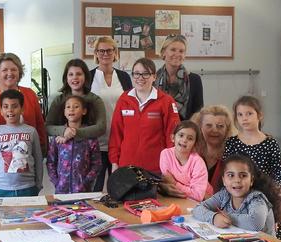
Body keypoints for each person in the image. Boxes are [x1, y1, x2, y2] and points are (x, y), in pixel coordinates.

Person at [109, 57, 180, 174]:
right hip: (127, 167)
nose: (140, 78)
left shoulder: (166, 101)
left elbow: (172, 136)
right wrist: (114, 163)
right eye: (136, 74)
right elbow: (116, 134)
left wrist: (170, 165)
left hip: (156, 168)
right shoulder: (124, 99)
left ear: (154, 77)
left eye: (145, 74)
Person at [0, 53, 46, 158]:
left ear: (19, 72)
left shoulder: (30, 94)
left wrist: (39, 152)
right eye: (4, 70)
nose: (10, 73)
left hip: (29, 158)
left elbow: (40, 126)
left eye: (13, 69)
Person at [192, 153, 281, 236]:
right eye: (231, 175)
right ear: (224, 180)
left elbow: (255, 224)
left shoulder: (257, 199)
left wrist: (228, 216)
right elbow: (197, 209)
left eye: (243, 175)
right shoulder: (224, 195)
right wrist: (214, 217)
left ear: (251, 180)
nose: (237, 180)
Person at [89, 36, 133, 191]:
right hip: (96, 143)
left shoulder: (124, 77)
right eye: (101, 50)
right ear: (96, 53)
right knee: (96, 188)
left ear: (115, 52)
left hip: (120, 141)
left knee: (120, 187)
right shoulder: (89, 77)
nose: (105, 54)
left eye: (109, 50)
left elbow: (131, 105)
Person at [0, 89, 43, 199]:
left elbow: (38, 159)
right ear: (1, 110)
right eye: (6, 106)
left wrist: (38, 184)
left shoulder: (31, 131)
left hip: (27, 188)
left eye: (14, 106)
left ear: (22, 109)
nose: (10, 110)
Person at [223, 95, 281, 188]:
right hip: (237, 191)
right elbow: (226, 170)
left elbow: (280, 174)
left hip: (264, 193)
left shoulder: (270, 143)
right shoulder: (231, 142)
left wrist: (273, 192)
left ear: (259, 115)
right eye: (240, 114)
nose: (244, 118)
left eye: (249, 114)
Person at [47, 95, 101, 193]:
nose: (71, 109)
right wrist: (57, 182)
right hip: (61, 190)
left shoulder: (90, 137)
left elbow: (96, 164)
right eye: (68, 107)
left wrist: (85, 182)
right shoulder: (57, 136)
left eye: (76, 107)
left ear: (84, 111)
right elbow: (51, 162)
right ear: (64, 112)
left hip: (83, 191)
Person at [45, 58, 106, 144]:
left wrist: (74, 132)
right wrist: (64, 130)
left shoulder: (95, 100)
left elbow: (101, 128)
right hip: (62, 148)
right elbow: (47, 127)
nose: (75, 77)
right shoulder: (58, 100)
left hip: (88, 149)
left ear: (85, 76)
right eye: (70, 74)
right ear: (66, 78)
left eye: (79, 74)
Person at [158, 120, 210, 201]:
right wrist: (171, 184)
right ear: (173, 138)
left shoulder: (198, 162)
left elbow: (198, 195)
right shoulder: (165, 154)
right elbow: (167, 182)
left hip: (205, 199)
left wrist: (174, 183)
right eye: (181, 135)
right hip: (179, 197)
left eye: (190, 138)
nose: (184, 140)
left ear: (195, 144)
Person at [155, 34, 204, 120]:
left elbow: (198, 112)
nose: (177, 54)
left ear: (184, 55)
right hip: (158, 128)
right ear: (163, 53)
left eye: (181, 51)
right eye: (173, 50)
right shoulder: (153, 79)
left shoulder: (194, 80)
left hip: (186, 129)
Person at [191, 105, 235, 192]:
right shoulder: (191, 153)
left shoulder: (232, 156)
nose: (214, 130)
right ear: (200, 127)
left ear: (227, 129)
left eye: (220, 126)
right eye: (209, 125)